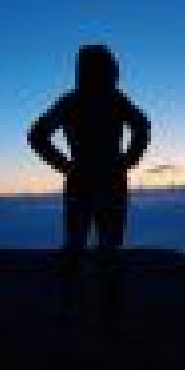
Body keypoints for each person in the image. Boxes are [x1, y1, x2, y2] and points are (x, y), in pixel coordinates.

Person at [28, 44, 151, 251]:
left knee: (81, 245)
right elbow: (142, 126)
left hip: (85, 181)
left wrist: (67, 167)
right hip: (107, 181)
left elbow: (37, 135)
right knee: (106, 246)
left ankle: (82, 270)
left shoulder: (74, 101)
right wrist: (125, 162)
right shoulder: (114, 100)